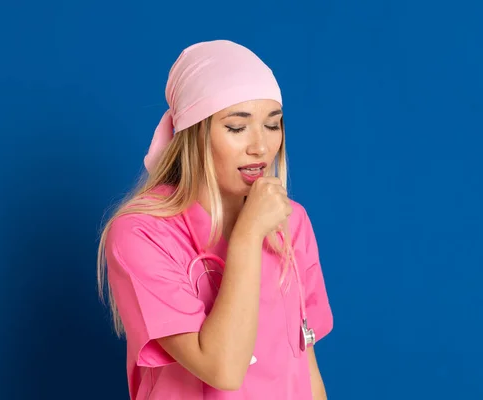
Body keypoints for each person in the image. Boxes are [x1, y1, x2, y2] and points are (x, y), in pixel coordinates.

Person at [97, 39, 334, 399]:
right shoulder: (140, 234)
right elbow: (222, 368)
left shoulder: (291, 221)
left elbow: (306, 364)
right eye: (237, 128)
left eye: (273, 125)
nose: (260, 146)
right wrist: (247, 235)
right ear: (194, 134)